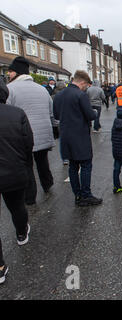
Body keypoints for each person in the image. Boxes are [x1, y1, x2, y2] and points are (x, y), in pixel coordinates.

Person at [6, 56, 56, 205]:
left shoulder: (10, 89)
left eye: (10, 71)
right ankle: (47, 184)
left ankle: (30, 196)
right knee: (42, 161)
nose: (8, 74)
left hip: (23, 135)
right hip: (44, 133)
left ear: (17, 73)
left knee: (27, 165)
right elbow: (51, 112)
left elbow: (7, 114)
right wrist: (54, 128)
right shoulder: (42, 89)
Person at [0, 77, 34, 284]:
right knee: (16, 206)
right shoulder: (16, 113)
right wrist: (25, 165)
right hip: (13, 171)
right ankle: (22, 233)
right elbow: (28, 143)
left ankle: (0, 267)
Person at [53, 70, 103, 207]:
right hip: (80, 135)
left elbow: (56, 116)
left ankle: (78, 195)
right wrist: (94, 111)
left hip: (66, 136)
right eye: (86, 85)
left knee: (73, 167)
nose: (86, 88)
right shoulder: (80, 95)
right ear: (82, 82)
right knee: (86, 165)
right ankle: (86, 195)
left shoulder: (58, 95)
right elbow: (90, 115)